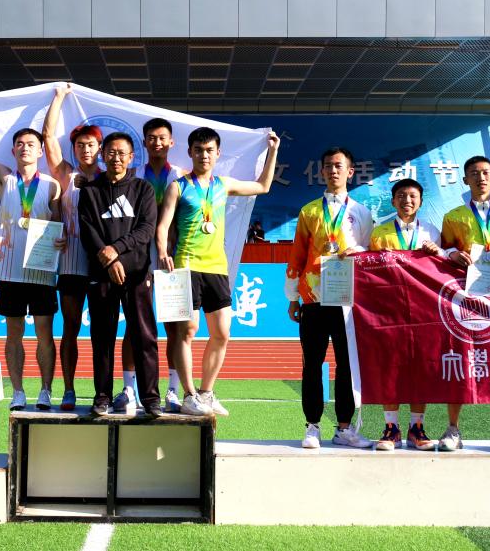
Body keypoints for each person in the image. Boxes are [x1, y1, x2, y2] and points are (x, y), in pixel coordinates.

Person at [158, 127, 280, 416]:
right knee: (186, 332)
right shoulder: (178, 187)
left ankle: (206, 392)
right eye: (199, 150)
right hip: (186, 265)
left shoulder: (223, 185)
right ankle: (189, 396)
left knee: (222, 333)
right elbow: (163, 225)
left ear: (217, 154)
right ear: (190, 152)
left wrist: (273, 151)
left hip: (217, 267)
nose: (204, 155)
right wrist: (163, 252)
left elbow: (263, 186)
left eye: (209, 150)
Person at [0, 92, 65, 411]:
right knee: (14, 334)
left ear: (40, 151)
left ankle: (46, 391)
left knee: (45, 334)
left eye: (31, 144)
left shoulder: (51, 185)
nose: (25, 148)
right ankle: (18, 392)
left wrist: (61, 239)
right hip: (10, 271)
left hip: (42, 270)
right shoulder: (5, 178)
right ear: (13, 150)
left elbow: (60, 224)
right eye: (20, 144)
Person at [286, 147, 374, 449]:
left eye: (339, 166)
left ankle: (344, 428)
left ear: (350, 171)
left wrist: (358, 251)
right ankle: (312, 426)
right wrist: (293, 297)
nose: (333, 171)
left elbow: (369, 252)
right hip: (314, 298)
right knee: (312, 363)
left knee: (347, 365)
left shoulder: (361, 212)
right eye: (328, 166)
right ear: (322, 172)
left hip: (348, 300)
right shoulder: (309, 211)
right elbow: (297, 255)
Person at [438, 155, 490, 453]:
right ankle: (453, 429)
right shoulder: (453, 217)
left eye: (485, 172)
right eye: (474, 173)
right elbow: (443, 253)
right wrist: (451, 255)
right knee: (458, 361)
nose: (480, 178)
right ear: (465, 180)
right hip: (464, 301)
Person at [79, 132, 160, 416]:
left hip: (137, 274)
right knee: (102, 337)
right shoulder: (90, 191)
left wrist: (116, 250)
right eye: (111, 152)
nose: (116, 158)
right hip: (101, 274)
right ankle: (102, 396)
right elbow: (88, 231)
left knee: (144, 336)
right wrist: (109, 260)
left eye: (122, 153)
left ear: (131, 157)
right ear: (103, 155)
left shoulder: (143, 189)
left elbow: (146, 229)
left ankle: (150, 398)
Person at [116, 117, 188, 414]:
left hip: (172, 259)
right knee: (134, 325)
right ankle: (129, 390)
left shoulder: (181, 176)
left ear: (171, 142)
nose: (157, 143)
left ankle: (172, 389)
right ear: (144, 142)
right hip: (138, 259)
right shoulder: (133, 176)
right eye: (152, 138)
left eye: (162, 138)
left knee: (174, 326)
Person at [368, 178, 444, 451]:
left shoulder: (432, 231)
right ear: (393, 201)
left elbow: (443, 268)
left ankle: (416, 427)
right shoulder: (380, 233)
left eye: (412, 196)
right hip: (390, 310)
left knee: (420, 366)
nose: (407, 200)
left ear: (421, 201)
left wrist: (438, 252)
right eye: (401, 196)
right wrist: (380, 259)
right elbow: (370, 270)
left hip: (424, 310)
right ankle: (391, 428)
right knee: (390, 366)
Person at [41, 84, 102, 410]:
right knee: (71, 328)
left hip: (103, 264)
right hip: (70, 262)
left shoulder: (111, 178)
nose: (85, 150)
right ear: (74, 148)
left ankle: (103, 392)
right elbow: (48, 137)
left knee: (103, 333)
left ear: (100, 147)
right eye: (80, 145)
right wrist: (59, 97)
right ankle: (68, 389)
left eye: (91, 144)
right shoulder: (66, 173)